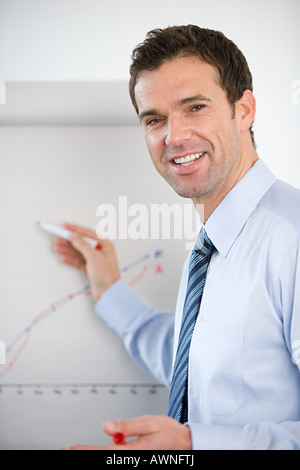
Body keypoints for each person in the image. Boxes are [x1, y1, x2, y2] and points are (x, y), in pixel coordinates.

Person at [55, 25, 300, 450]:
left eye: (195, 107)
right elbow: (194, 362)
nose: (175, 136)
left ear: (244, 111)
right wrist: (109, 289)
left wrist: (191, 445)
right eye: (155, 119)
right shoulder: (212, 244)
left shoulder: (291, 241)